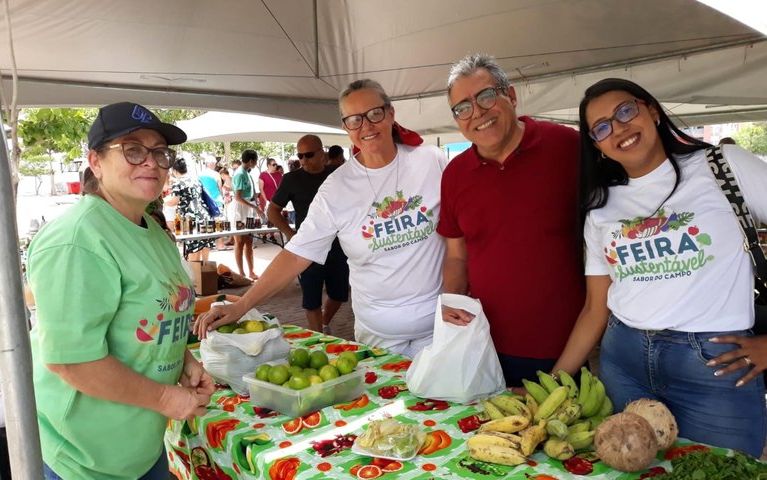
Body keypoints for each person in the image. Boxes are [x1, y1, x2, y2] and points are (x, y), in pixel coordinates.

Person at [551, 78, 767, 457]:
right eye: (601, 128)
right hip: (623, 363)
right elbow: (595, 307)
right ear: (596, 145)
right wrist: (553, 384)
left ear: (651, 110)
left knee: (720, 471)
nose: (618, 129)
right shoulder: (600, 205)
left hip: (713, 365)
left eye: (625, 111)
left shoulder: (723, 166)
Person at [27, 102, 214, 479]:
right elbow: (71, 361)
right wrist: (166, 398)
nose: (151, 162)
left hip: (141, 448)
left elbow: (155, 315)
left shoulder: (150, 229)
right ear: (95, 162)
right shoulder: (77, 240)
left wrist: (183, 362)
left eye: (159, 153)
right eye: (132, 150)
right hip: (84, 460)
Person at [195, 79, 448, 357]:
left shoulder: (431, 161)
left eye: (374, 113)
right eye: (354, 119)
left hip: (439, 327)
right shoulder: (337, 187)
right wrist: (241, 306)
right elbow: (296, 255)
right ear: (345, 127)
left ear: (390, 113)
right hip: (379, 336)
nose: (366, 126)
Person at [438, 54, 585, 387]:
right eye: (462, 108)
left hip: (563, 348)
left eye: (486, 96)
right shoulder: (455, 175)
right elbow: (457, 256)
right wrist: (451, 303)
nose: (477, 113)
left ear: (511, 96)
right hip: (484, 345)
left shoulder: (567, 147)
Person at [268, 134, 350, 334]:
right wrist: (291, 234)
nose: (303, 160)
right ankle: (319, 337)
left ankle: (324, 323)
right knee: (311, 299)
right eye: (300, 156)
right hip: (308, 247)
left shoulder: (337, 174)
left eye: (309, 155)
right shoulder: (291, 179)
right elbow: (272, 211)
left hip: (338, 245)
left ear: (322, 153)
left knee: (339, 294)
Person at [165, 158, 214, 261]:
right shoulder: (196, 180)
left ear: (174, 170)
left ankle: (195, 270)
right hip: (204, 215)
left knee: (193, 249)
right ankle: (207, 267)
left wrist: (163, 203)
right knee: (205, 245)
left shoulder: (178, 183)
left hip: (189, 218)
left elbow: (175, 201)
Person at [231, 150, 264, 279]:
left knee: (249, 240)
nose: (255, 163)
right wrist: (254, 206)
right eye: (255, 161)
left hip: (248, 207)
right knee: (239, 242)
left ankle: (251, 271)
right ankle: (241, 272)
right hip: (239, 209)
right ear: (251, 161)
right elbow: (238, 197)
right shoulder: (240, 173)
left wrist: (255, 205)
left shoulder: (246, 173)